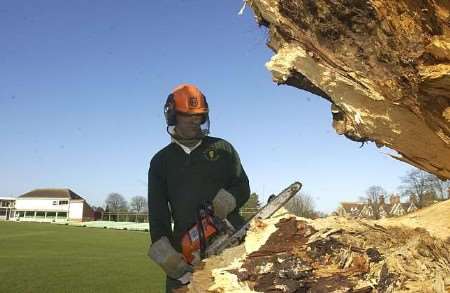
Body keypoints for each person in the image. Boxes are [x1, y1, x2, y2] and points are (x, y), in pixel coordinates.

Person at [147, 83, 250, 292]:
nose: (196, 120)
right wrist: (164, 251)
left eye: (200, 116)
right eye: (188, 115)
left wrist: (229, 200)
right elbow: (158, 215)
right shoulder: (161, 161)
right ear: (173, 116)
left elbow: (242, 185)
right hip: (186, 249)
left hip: (230, 241)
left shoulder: (222, 148)